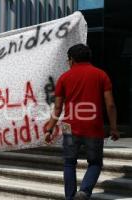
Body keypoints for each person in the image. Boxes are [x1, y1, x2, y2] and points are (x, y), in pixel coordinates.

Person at [44, 44, 119, 200]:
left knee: (69, 162)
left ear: (72, 60)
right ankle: (84, 192)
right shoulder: (101, 75)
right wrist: (113, 128)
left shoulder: (64, 77)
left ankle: (71, 197)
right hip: (93, 126)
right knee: (95, 163)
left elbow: (58, 108)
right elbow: (110, 104)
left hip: (69, 127)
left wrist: (49, 129)